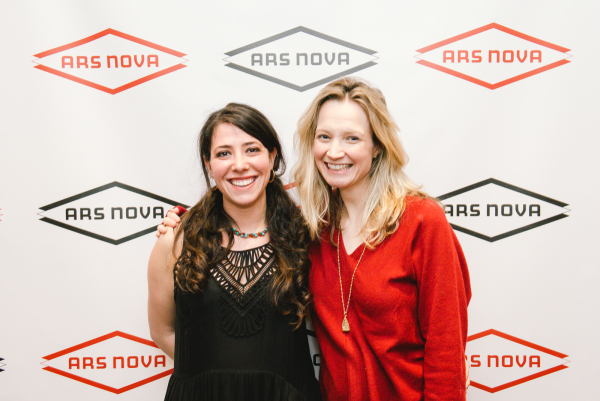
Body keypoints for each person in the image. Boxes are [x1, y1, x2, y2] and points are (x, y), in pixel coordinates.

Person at [158, 78, 471, 401]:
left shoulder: (422, 220)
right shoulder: (315, 229)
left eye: (352, 138)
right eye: (324, 137)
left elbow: (446, 350)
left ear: (377, 145)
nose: (335, 152)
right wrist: (186, 219)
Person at [147, 103, 321, 401]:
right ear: (208, 164)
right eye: (223, 153)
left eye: (252, 149)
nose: (239, 164)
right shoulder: (175, 242)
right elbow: (164, 332)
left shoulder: (307, 238)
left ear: (272, 156)